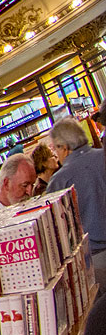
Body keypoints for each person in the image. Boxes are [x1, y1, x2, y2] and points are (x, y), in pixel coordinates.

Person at [46, 116, 106, 282]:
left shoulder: (59, 181)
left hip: (96, 259)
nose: (56, 155)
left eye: (55, 150)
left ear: (64, 148)